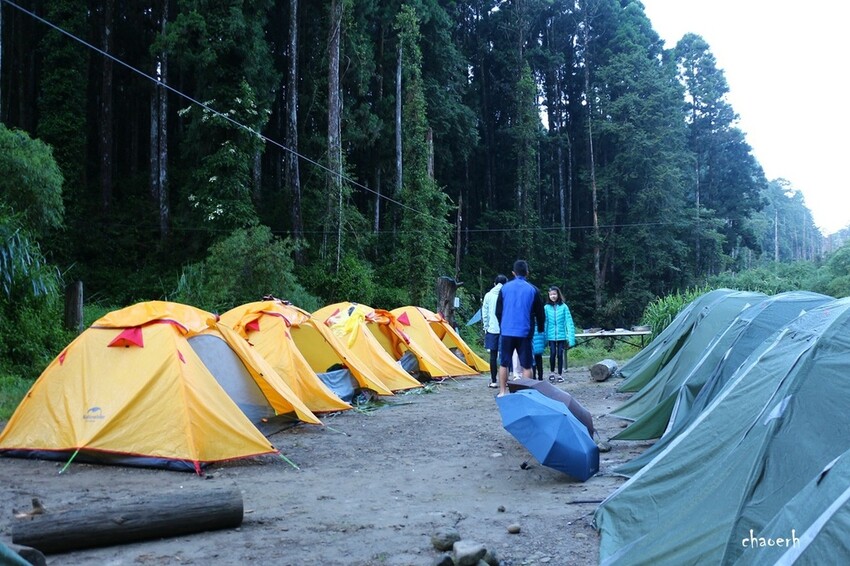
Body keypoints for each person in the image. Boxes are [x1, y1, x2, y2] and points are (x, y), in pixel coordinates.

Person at [495, 260, 545, 396]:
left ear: (513, 273)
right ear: (527, 273)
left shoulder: (504, 288)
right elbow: (540, 313)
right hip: (524, 332)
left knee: (504, 363)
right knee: (527, 365)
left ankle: (502, 391)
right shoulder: (533, 290)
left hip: (506, 331)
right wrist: (540, 328)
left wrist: (502, 325)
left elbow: (498, 311)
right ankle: (526, 393)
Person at [544, 285, 576, 383]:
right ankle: (552, 372)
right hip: (551, 336)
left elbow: (569, 322)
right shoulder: (546, 307)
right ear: (548, 296)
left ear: (558, 294)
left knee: (560, 354)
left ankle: (560, 374)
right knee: (552, 353)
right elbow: (545, 322)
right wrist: (544, 337)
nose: (553, 296)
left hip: (561, 335)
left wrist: (571, 338)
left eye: (554, 294)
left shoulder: (564, 306)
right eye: (551, 294)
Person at [481, 274, 507, 388]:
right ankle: (505, 381)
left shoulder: (488, 295)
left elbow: (484, 312)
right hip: (505, 329)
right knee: (505, 355)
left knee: (493, 355)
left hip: (492, 328)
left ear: (494, 284)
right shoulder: (507, 294)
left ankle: (493, 380)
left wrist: (485, 326)